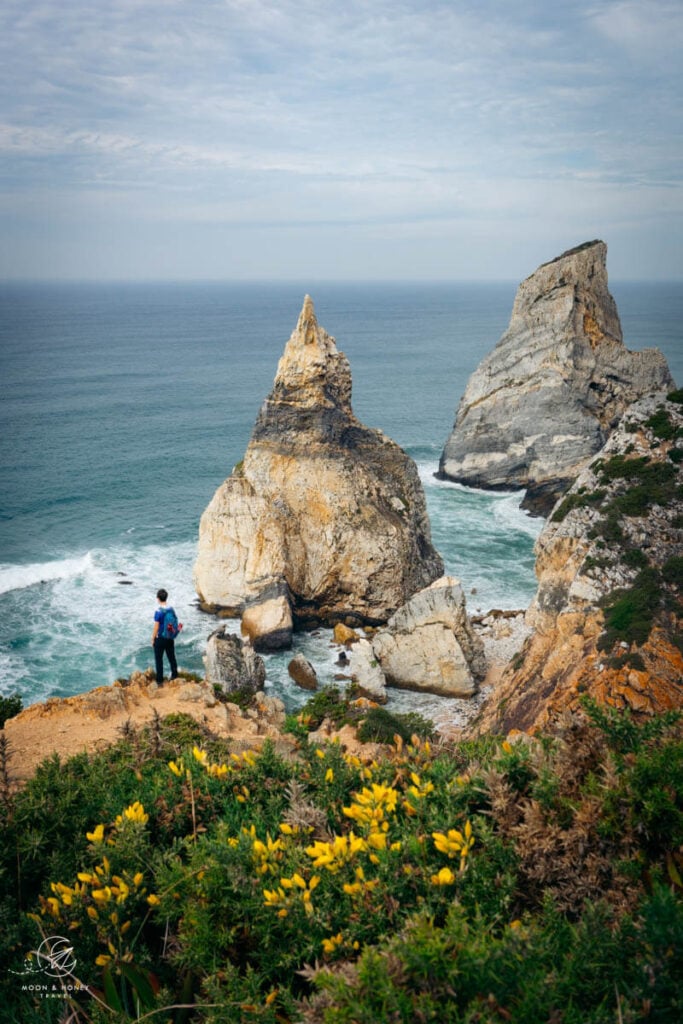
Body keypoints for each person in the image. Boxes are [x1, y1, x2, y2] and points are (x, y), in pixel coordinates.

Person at [152, 588, 179, 684]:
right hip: (170, 637)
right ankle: (175, 675)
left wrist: (153, 639)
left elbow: (156, 627)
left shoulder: (158, 611)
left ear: (158, 598)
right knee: (171, 657)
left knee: (159, 660)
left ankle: (160, 681)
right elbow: (175, 621)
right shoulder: (171, 609)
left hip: (160, 639)